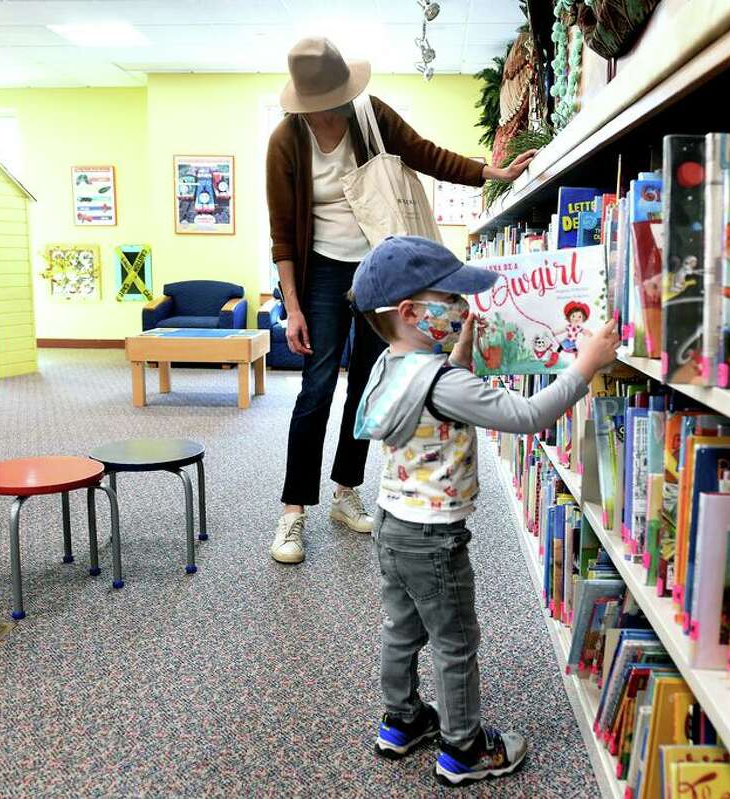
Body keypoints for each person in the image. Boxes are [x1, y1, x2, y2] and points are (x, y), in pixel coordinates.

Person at [349, 235, 620, 785]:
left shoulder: (391, 366)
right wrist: (585, 365)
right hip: (435, 540)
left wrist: (461, 347)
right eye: (451, 300)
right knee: (455, 642)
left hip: (392, 525)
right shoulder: (445, 383)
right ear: (411, 312)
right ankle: (464, 747)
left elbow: (436, 406)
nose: (462, 308)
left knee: (401, 628)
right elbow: (526, 415)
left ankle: (401, 722)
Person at [265, 37, 537, 565]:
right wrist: (293, 306)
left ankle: (346, 489)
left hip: (377, 269)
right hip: (319, 270)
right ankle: (292, 511)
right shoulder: (285, 140)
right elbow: (282, 233)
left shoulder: (369, 116)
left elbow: (425, 154)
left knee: (371, 382)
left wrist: (490, 173)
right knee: (316, 387)